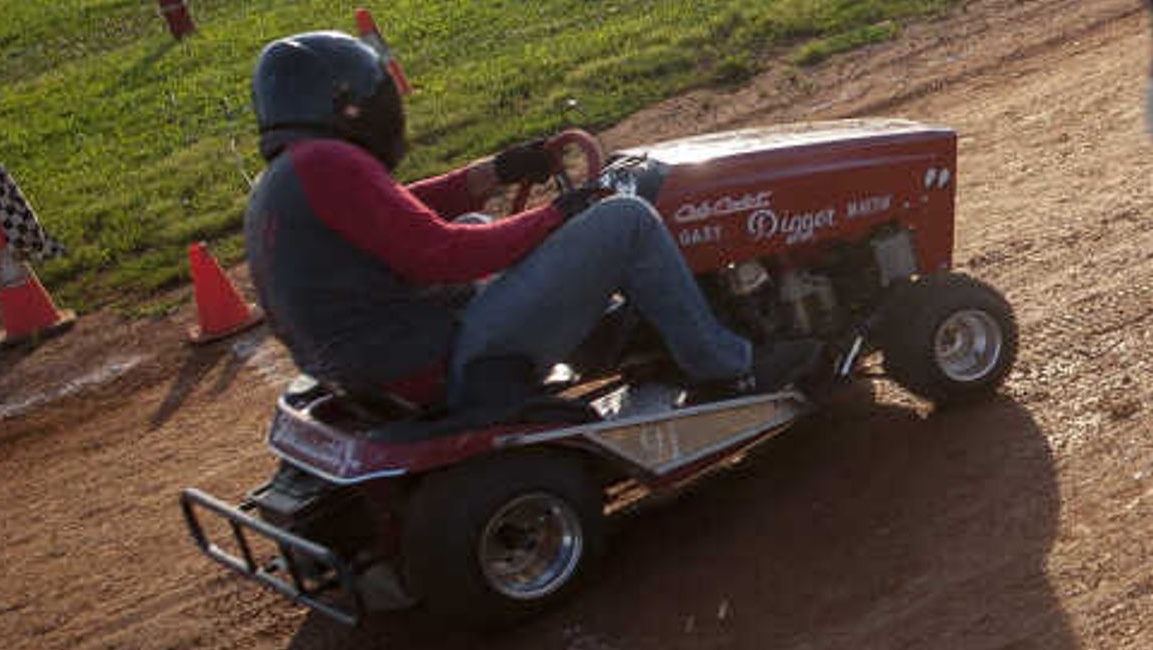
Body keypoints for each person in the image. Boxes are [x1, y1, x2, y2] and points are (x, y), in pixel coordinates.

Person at [240, 30, 819, 418]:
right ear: (350, 102)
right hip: (435, 365)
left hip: (373, 367)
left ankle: (616, 337)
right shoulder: (330, 163)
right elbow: (441, 255)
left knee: (475, 217)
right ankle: (732, 367)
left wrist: (495, 171)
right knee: (626, 221)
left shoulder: (284, 178)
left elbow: (401, 210)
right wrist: (555, 216)